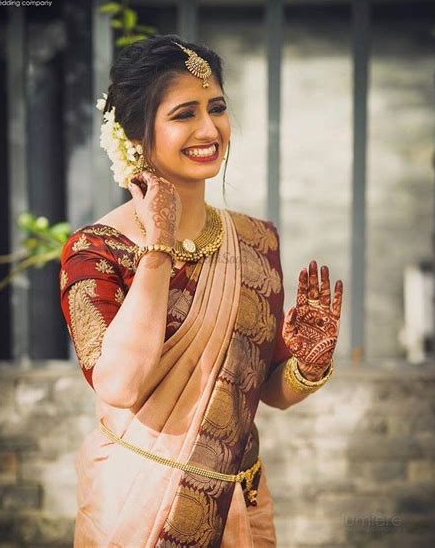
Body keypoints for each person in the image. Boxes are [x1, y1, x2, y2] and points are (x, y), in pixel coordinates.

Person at [59, 34, 343, 548]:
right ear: (136, 137)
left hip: (241, 504)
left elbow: (265, 393)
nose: (209, 129)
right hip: (137, 506)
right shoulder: (96, 251)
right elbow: (120, 386)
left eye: (217, 108)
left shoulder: (256, 241)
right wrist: (159, 245)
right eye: (184, 113)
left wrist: (310, 364)